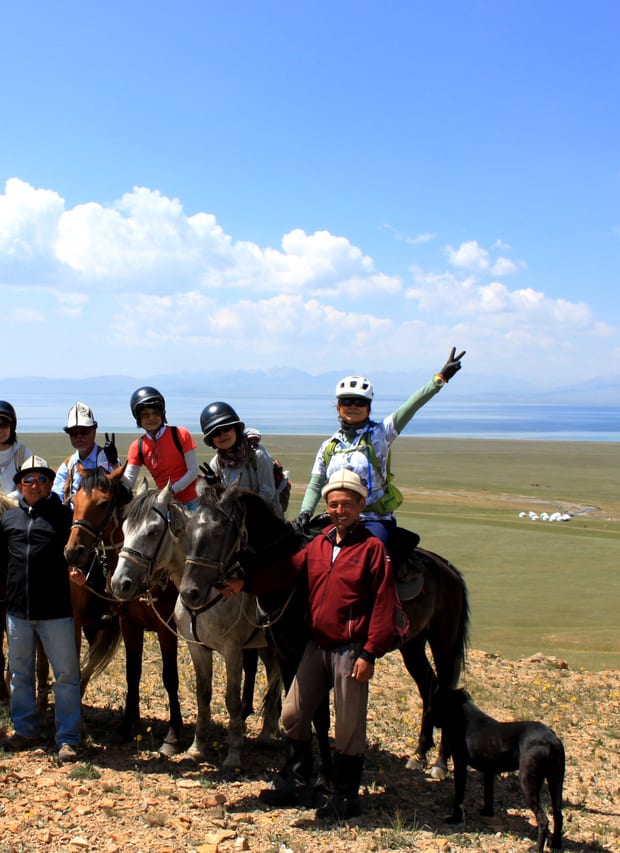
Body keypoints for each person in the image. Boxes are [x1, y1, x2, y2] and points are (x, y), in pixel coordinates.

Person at [242, 469, 399, 819]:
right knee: (294, 714)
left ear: (360, 505)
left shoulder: (372, 550)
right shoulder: (320, 543)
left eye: (346, 504)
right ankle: (299, 781)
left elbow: (384, 604)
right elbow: (288, 571)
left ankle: (344, 797)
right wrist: (246, 584)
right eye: (333, 504)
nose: (339, 510)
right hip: (318, 645)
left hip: (350, 649)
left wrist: (370, 652)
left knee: (348, 727)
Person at [294, 348, 465, 557]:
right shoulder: (329, 446)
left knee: (372, 558)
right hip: (336, 517)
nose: (353, 406)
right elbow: (316, 484)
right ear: (338, 407)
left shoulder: (381, 433)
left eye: (360, 402)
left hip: (374, 519)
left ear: (369, 406)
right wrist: (305, 513)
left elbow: (411, 405)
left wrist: (440, 379)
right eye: (347, 401)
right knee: (305, 556)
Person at [0, 456, 83, 761]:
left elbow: (79, 552)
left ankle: (68, 738)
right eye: (28, 480)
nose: (35, 485)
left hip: (56, 612)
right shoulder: (8, 519)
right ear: (19, 484)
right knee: (20, 674)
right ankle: (25, 730)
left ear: (50, 484)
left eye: (42, 479)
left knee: (66, 676)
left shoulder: (63, 517)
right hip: (18, 612)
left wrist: (79, 571)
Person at [199, 401, 284, 518]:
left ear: (236, 429)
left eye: (226, 428)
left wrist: (243, 513)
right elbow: (219, 502)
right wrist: (214, 489)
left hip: (267, 519)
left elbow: (267, 492)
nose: (222, 435)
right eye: (215, 433)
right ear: (211, 439)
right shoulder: (216, 464)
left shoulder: (258, 454)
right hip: (235, 521)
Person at [122, 386, 199, 509]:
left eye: (155, 413)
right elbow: (129, 482)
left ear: (162, 414)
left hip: (192, 500)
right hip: (164, 504)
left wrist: (171, 491)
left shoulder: (181, 434)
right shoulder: (137, 447)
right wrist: (114, 463)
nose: (151, 418)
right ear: (138, 418)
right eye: (145, 415)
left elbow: (193, 471)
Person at [52, 402, 120, 504]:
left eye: (84, 431)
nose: (79, 436)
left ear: (94, 431)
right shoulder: (67, 466)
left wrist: (114, 464)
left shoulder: (108, 460)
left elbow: (122, 489)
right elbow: (57, 498)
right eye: (74, 433)